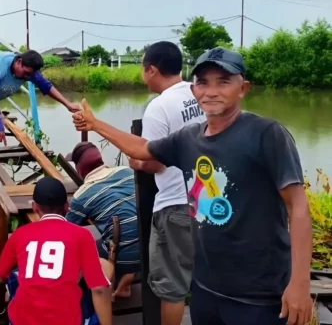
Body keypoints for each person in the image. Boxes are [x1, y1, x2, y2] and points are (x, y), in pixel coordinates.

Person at [72, 47, 313, 325]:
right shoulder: (188, 139)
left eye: (223, 81)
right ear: (193, 89)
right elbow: (141, 148)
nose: (211, 91)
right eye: (203, 82)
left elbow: (298, 206)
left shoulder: (267, 135)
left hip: (258, 294)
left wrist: (299, 284)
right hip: (206, 288)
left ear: (243, 88)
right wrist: (95, 123)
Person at [128, 41, 205, 325]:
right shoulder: (199, 94)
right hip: (208, 201)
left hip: (175, 206)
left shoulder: (159, 107)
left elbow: (155, 161)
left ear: (151, 70)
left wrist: (136, 162)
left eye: (142, 67)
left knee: (171, 287)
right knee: (203, 278)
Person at [0, 177, 113, 325]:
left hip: (22, 320)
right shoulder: (82, 236)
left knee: (14, 275)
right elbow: (99, 289)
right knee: (102, 272)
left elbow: (1, 277)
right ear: (66, 206)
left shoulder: (19, 234)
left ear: (34, 207)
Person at [0, 49, 79, 179]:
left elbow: (46, 86)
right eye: (25, 73)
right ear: (19, 62)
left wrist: (67, 104)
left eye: (30, 75)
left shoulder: (28, 71)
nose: (27, 78)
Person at [64, 141, 139, 300]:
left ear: (79, 169)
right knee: (129, 227)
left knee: (83, 245)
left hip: (120, 258)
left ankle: (99, 290)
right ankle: (127, 280)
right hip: (149, 252)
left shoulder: (82, 196)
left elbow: (66, 231)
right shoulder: (127, 171)